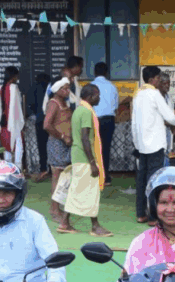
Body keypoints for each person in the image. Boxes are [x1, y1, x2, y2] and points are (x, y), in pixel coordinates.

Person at [55, 83, 112, 237]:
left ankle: (65, 223)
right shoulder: (86, 112)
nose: (99, 98)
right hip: (84, 158)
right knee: (90, 192)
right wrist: (92, 162)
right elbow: (85, 137)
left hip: (78, 156)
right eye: (98, 95)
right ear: (90, 96)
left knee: (77, 190)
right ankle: (95, 226)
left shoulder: (79, 110)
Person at [131, 66, 175, 224]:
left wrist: (136, 142)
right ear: (153, 79)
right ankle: (153, 217)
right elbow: (169, 116)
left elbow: (134, 122)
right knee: (154, 180)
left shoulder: (138, 94)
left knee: (142, 179)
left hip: (141, 145)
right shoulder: (154, 94)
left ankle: (141, 214)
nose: (160, 81)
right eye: (159, 78)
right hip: (155, 144)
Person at [44, 78, 74, 222]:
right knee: (57, 177)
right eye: (65, 88)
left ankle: (57, 206)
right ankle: (54, 209)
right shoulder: (54, 103)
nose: (68, 91)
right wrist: (63, 136)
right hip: (57, 143)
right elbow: (47, 125)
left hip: (65, 143)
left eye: (68, 88)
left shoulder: (63, 102)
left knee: (63, 178)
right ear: (57, 90)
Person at [92, 62, 119, 178]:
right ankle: (105, 175)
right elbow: (116, 106)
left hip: (93, 120)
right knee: (106, 148)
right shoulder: (112, 86)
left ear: (94, 72)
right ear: (107, 73)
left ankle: (94, 175)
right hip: (109, 120)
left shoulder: (90, 86)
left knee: (94, 148)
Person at [0, 66, 25, 168]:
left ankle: (7, 168)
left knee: (7, 147)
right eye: (17, 76)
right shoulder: (14, 88)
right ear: (13, 76)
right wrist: (21, 122)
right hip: (14, 122)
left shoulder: (1, 88)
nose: (17, 78)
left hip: (4, 122)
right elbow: (18, 108)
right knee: (18, 145)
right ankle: (18, 168)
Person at [28, 73, 52, 180]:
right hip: (51, 120)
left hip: (40, 119)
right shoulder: (50, 88)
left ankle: (43, 169)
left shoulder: (34, 87)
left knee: (41, 146)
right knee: (51, 145)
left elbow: (31, 103)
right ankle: (51, 168)